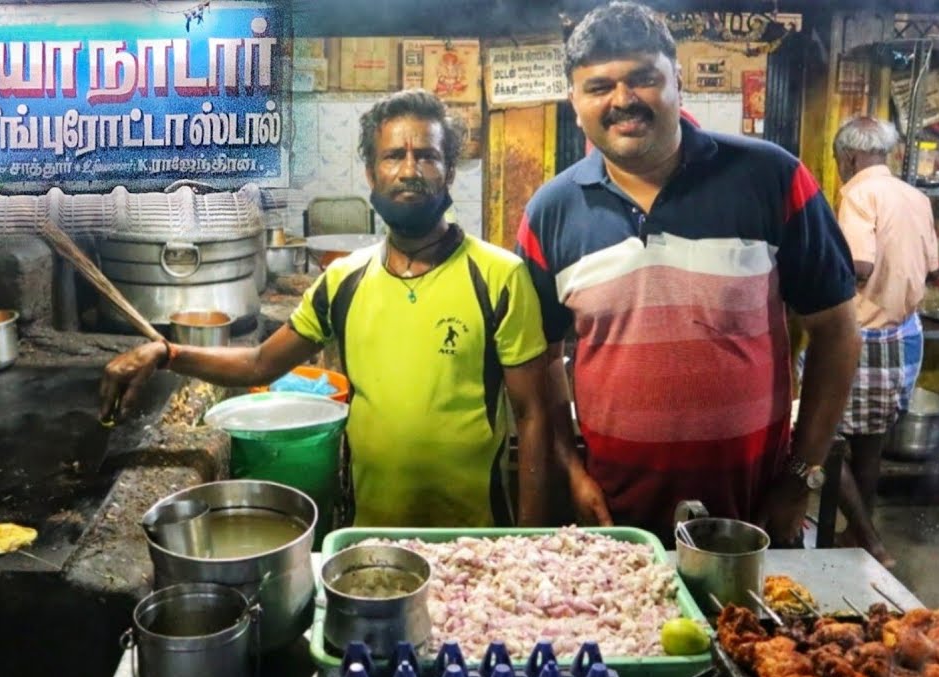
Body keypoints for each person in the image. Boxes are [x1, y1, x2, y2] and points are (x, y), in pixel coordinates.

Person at [101, 89, 552, 528]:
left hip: (473, 533)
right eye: (393, 156)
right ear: (371, 174)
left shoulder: (500, 277)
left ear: (449, 170)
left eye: (428, 156)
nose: (409, 170)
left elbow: (533, 415)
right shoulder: (342, 281)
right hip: (368, 536)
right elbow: (260, 364)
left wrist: (528, 540)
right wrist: (166, 353)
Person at [516, 1, 861, 546]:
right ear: (574, 100)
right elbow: (539, 359)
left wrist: (800, 477)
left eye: (644, 79)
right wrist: (572, 469)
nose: (623, 101)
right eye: (599, 86)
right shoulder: (551, 212)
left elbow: (838, 332)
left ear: (678, 79)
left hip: (753, 515)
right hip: (616, 519)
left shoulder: (771, 178)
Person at [830, 116, 939, 567]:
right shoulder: (916, 197)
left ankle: (871, 542)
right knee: (870, 444)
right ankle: (858, 537)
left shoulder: (858, 194)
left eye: (840, 161)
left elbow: (857, 264)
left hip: (865, 336)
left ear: (850, 156)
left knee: (818, 441)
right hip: (905, 335)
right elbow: (931, 266)